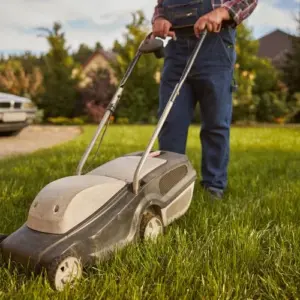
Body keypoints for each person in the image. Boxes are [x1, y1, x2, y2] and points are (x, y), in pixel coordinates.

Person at [151, 0, 258, 199]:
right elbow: (161, 6)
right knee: (170, 122)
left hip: (215, 48)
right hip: (176, 53)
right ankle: (171, 185)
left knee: (215, 124)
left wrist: (222, 12)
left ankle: (213, 186)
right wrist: (159, 19)